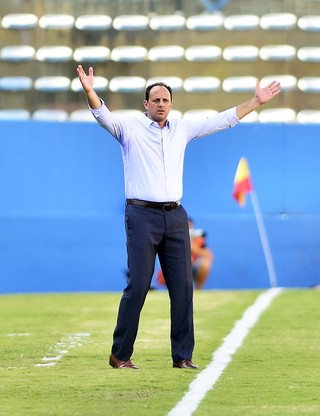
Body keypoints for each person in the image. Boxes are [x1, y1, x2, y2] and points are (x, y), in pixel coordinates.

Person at [77, 64, 281, 370]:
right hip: (141, 214)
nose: (161, 104)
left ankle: (182, 356)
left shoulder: (182, 129)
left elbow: (220, 121)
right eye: (155, 99)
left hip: (175, 216)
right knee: (138, 285)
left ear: (171, 105)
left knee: (184, 286)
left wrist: (255, 103)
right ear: (145, 104)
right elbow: (102, 115)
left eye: (166, 100)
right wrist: (90, 91)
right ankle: (120, 354)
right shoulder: (129, 129)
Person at [156, 218, 214, 289]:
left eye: (189, 226)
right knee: (185, 259)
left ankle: (198, 289)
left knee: (205, 263)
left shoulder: (197, 240)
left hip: (191, 268)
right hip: (173, 268)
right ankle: (175, 288)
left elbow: (209, 255)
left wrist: (192, 246)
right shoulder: (172, 237)